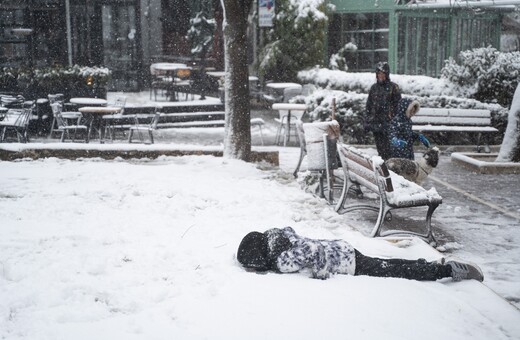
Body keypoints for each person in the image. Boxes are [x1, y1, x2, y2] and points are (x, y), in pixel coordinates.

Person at [237, 227, 484, 282]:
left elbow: (314, 250)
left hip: (347, 263)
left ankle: (446, 270)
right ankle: (429, 265)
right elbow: (289, 230)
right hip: (343, 249)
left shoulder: (281, 260)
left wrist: (321, 277)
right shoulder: (276, 236)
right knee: (388, 265)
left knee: (394, 271)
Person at [365, 62, 402, 160]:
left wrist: (392, 117)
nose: (380, 76)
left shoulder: (393, 88)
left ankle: (390, 168)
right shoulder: (374, 88)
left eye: (383, 73)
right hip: (376, 123)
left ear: (387, 74)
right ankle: (383, 167)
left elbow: (398, 105)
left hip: (388, 123)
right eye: (379, 73)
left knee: (389, 149)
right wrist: (368, 119)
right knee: (380, 148)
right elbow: (369, 105)